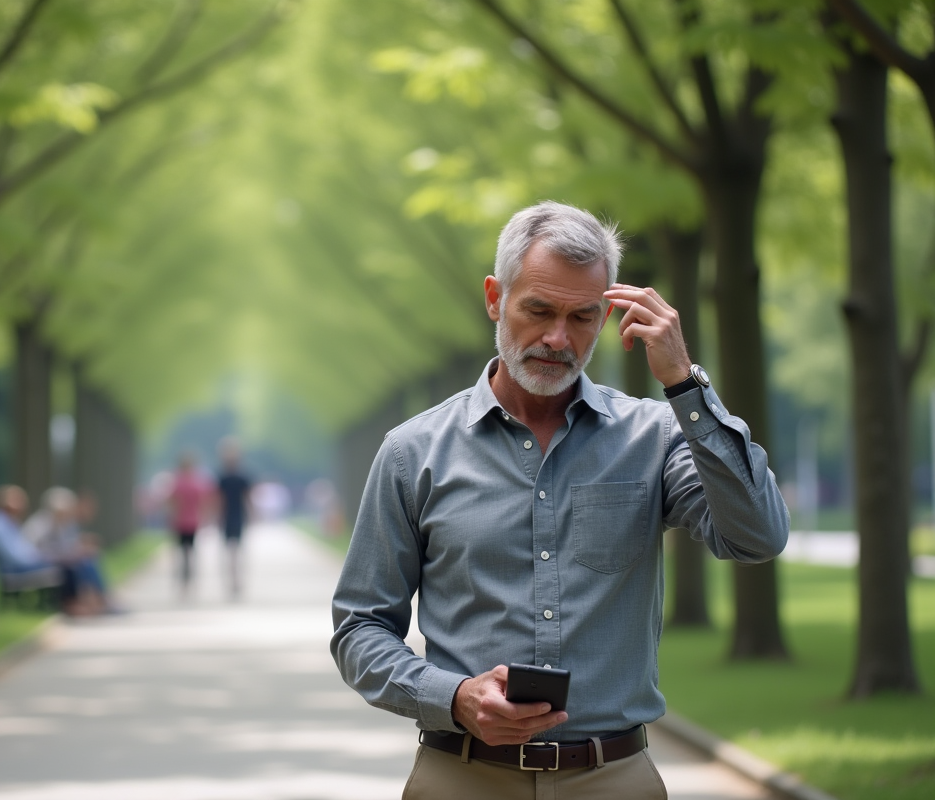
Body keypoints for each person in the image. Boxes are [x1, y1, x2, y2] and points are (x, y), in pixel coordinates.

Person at [331, 201, 790, 799]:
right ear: (496, 298)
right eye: (539, 310)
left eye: (583, 317)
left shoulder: (655, 438)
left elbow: (757, 536)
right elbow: (360, 627)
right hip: (461, 777)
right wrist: (453, 697)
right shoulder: (411, 451)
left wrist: (685, 383)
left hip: (615, 778)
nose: (557, 338)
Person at [0, 485, 81, 612]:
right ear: (5, 501)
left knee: (66, 564)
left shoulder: (6, 522)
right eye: (18, 500)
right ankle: (71, 604)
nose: (23, 505)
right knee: (63, 567)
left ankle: (73, 603)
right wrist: (42, 558)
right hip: (13, 572)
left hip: (19, 566)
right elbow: (15, 557)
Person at [22, 487, 110, 615]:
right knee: (72, 568)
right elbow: (35, 551)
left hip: (56, 559)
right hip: (40, 562)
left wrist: (76, 551)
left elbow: (65, 546)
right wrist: (67, 555)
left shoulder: (60, 524)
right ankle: (74, 603)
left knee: (86, 561)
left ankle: (97, 598)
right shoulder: (40, 524)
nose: (66, 516)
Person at [166, 452, 210, 597]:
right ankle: (190, 580)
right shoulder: (197, 482)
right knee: (190, 553)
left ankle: (184, 582)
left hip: (180, 522)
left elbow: (172, 502)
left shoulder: (177, 482)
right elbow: (203, 502)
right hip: (192, 522)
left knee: (181, 553)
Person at [216, 437, 253, 598]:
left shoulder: (228, 478)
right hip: (231, 517)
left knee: (234, 551)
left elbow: (247, 499)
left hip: (235, 516)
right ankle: (234, 581)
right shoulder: (226, 478)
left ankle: (235, 580)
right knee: (233, 551)